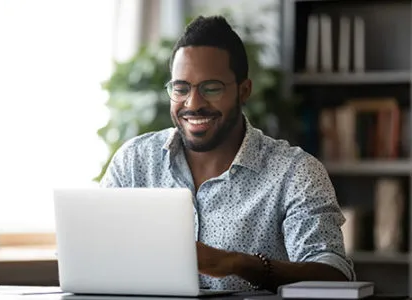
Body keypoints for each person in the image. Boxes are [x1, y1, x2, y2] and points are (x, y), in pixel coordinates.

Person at [100, 15, 355, 292]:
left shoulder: (295, 172)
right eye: (181, 88)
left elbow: (334, 276)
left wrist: (237, 263)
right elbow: (96, 251)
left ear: (244, 91)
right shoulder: (134, 162)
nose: (193, 103)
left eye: (211, 88)